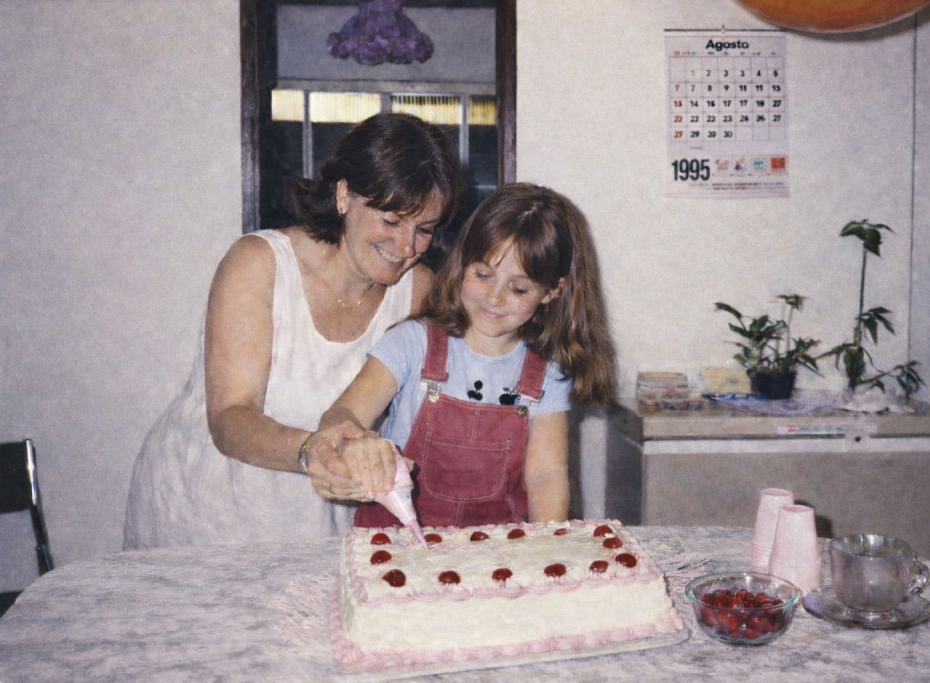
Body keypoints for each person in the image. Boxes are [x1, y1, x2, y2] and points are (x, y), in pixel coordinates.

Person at [123, 113, 461, 549]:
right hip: (209, 504)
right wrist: (310, 451)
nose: (406, 247)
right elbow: (229, 417)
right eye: (392, 221)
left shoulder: (417, 292)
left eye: (424, 230)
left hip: (319, 512)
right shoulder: (258, 263)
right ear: (344, 195)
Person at [312, 182, 616, 527]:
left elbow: (547, 474)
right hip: (396, 546)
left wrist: (549, 541)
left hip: (493, 551)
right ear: (463, 263)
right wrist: (352, 441)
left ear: (551, 292)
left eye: (519, 288)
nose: (495, 297)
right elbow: (343, 411)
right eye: (482, 274)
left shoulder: (548, 373)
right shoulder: (412, 342)